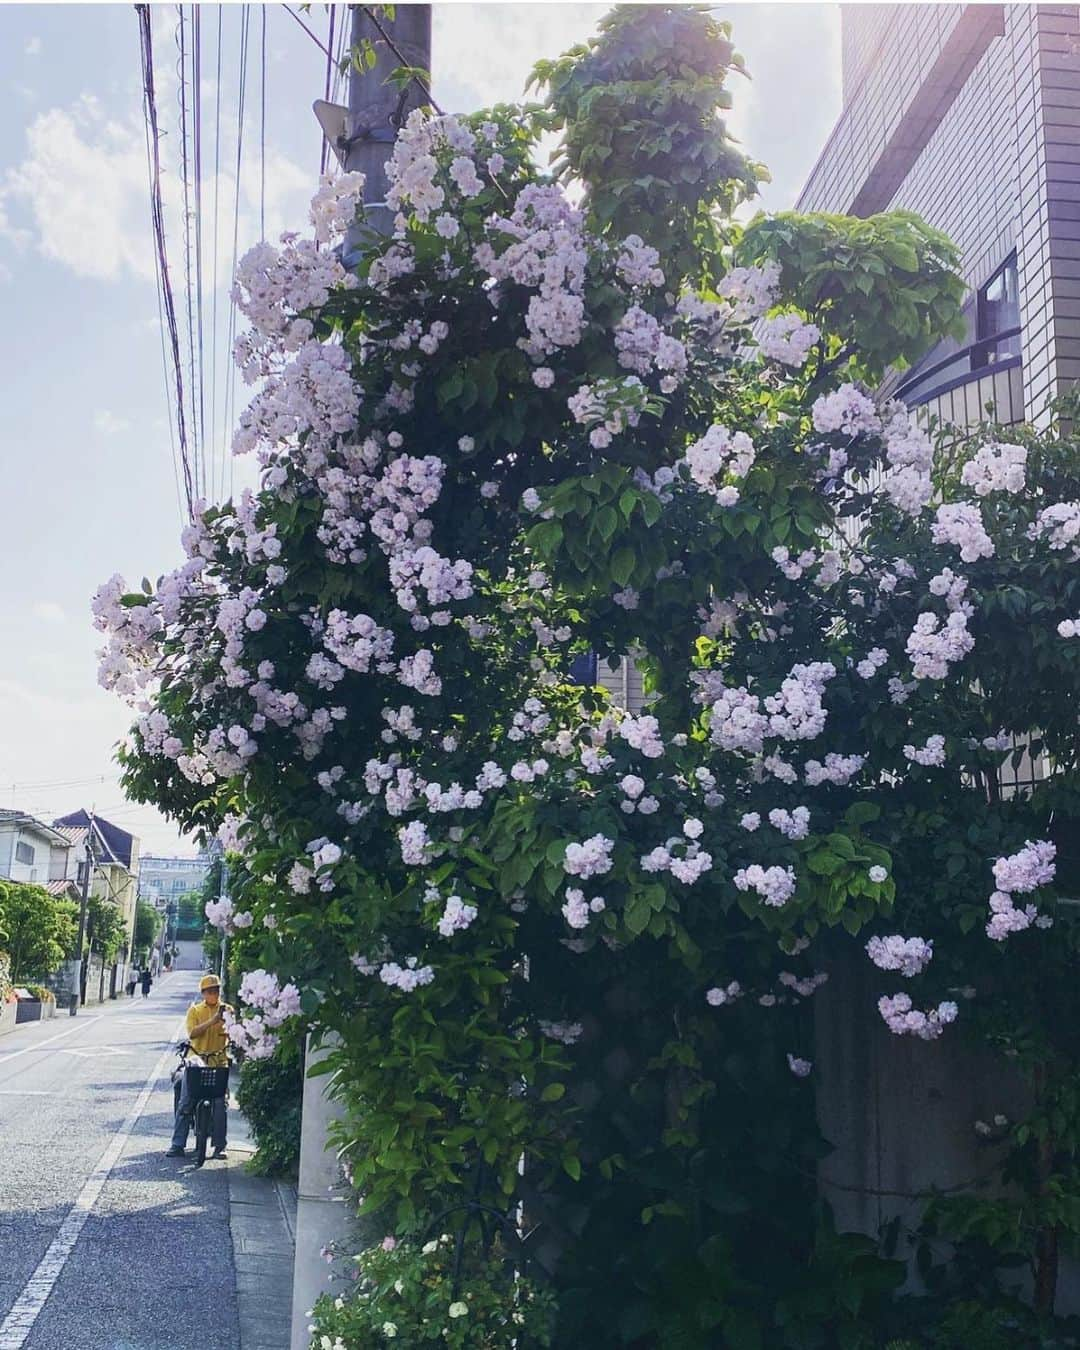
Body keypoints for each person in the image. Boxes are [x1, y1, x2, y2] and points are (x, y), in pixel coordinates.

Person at [166, 974, 233, 1159]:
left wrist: (228, 1023)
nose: (214, 993)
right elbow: (193, 1033)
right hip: (196, 1062)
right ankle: (177, 1144)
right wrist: (213, 1021)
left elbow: (235, 1033)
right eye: (210, 991)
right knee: (186, 1102)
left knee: (220, 1104)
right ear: (203, 993)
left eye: (216, 990)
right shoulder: (195, 1011)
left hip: (219, 1062)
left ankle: (220, 1146)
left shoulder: (228, 1010)